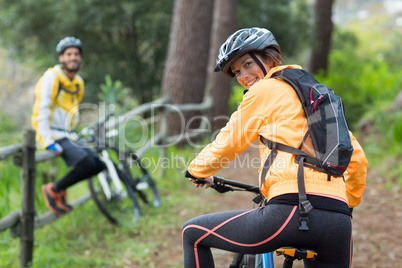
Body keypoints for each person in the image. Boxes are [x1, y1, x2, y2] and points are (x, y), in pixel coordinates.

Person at [182, 27, 368, 267]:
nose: (243, 76)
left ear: (270, 58)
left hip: (290, 213)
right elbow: (357, 159)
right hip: (339, 222)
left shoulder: (265, 89)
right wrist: (344, 203)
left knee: (193, 234)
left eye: (248, 64)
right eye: (237, 71)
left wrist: (197, 170)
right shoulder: (314, 98)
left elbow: (230, 140)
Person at [32, 37, 105, 215]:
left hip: (69, 134)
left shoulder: (78, 81)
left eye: (76, 54)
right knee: (87, 163)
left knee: (98, 164)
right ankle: (53, 189)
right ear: (61, 58)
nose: (73, 57)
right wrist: (47, 141)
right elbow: (42, 109)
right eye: (69, 54)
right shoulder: (51, 77)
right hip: (53, 134)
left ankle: (59, 189)